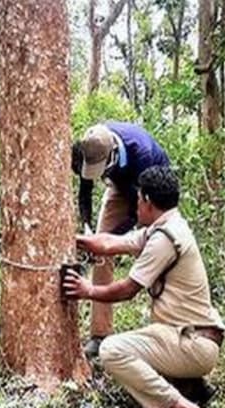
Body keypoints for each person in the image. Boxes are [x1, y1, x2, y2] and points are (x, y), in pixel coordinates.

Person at [63, 166, 225, 408]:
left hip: (194, 342)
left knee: (112, 350)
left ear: (148, 201)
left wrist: (88, 290)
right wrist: (74, 239)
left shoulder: (166, 238)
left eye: (138, 200)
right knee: (144, 341)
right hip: (191, 337)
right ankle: (189, 384)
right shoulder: (166, 225)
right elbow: (109, 244)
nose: (135, 206)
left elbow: (128, 289)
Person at [72, 122, 170, 358]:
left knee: (159, 258)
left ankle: (168, 335)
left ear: (113, 155)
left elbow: (137, 215)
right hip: (120, 188)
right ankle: (100, 334)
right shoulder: (91, 146)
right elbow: (85, 192)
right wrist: (88, 229)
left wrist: (108, 242)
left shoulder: (142, 154)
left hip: (152, 193)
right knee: (101, 258)